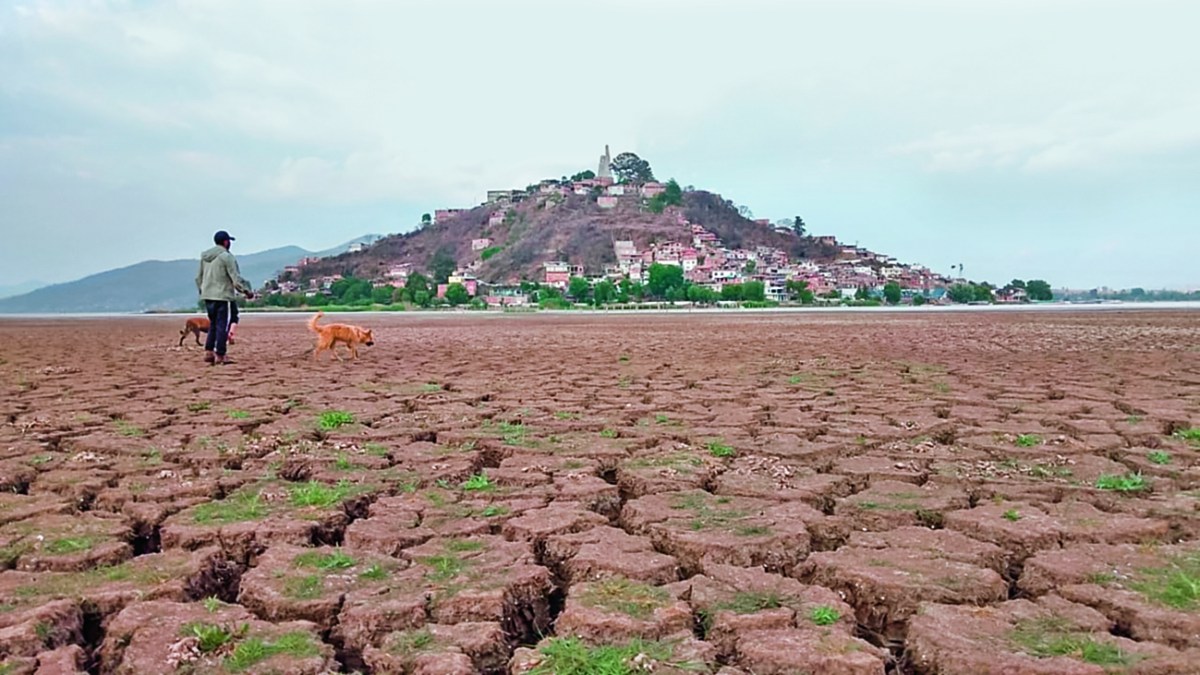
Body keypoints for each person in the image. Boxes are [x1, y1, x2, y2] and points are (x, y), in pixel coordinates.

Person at [196, 230, 254, 365]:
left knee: (213, 324)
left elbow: (198, 277)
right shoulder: (227, 257)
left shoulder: (205, 257)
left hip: (208, 296)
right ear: (226, 242)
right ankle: (220, 354)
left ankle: (209, 352)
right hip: (223, 296)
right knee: (222, 325)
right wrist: (247, 291)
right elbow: (235, 279)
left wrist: (203, 291)